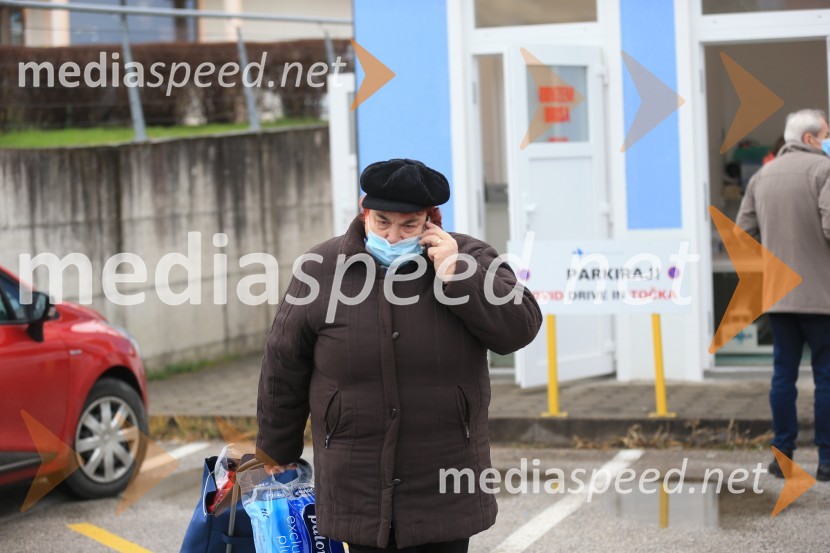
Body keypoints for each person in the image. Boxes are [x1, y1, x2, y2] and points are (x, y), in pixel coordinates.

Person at [256, 158, 543, 551]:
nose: (393, 237)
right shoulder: (321, 268)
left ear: (431, 220)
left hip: (444, 479)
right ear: (365, 212)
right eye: (382, 222)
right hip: (355, 479)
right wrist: (276, 449)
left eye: (409, 225)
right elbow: (284, 363)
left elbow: (520, 327)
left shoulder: (470, 256)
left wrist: (458, 273)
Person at [736, 109, 830, 482]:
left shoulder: (762, 176)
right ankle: (827, 461)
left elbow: (742, 234)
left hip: (779, 297)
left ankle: (782, 457)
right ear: (809, 138)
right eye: (827, 133)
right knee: (826, 377)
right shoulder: (825, 171)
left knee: (783, 376)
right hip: (822, 296)